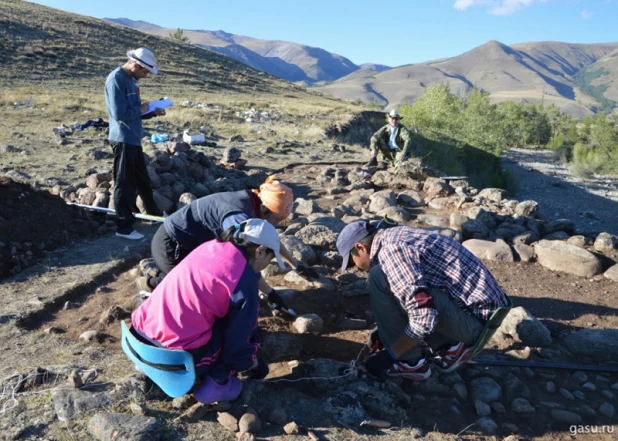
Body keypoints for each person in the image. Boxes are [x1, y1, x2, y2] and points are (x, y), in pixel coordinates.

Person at [130, 219, 280, 403]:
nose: (266, 265)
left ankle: (148, 366)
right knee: (237, 331)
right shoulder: (244, 282)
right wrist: (256, 365)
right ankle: (217, 384)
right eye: (270, 259)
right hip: (172, 357)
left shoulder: (212, 246)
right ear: (260, 251)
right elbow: (237, 350)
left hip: (137, 337)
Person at [336, 220, 509, 381]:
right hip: (483, 314)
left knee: (378, 276)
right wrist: (388, 328)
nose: (356, 267)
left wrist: (391, 354)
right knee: (396, 284)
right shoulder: (395, 235)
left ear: (361, 247)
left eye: (352, 261)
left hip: (475, 325)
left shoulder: (392, 252)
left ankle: (410, 364)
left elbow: (424, 317)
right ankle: (452, 344)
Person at [136, 175, 319, 310]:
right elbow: (247, 264)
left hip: (192, 242)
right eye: (276, 220)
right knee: (191, 290)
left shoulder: (254, 202)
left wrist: (296, 265)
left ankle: (159, 275)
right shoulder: (240, 218)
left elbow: (270, 237)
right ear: (264, 208)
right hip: (172, 243)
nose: (276, 225)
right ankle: (151, 285)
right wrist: (270, 293)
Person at [105, 48, 166, 240]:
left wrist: (151, 112)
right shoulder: (116, 79)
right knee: (124, 182)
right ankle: (123, 227)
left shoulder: (131, 80)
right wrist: (142, 108)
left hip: (133, 137)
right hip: (123, 138)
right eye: (145, 71)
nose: (146, 76)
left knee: (142, 180)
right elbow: (119, 113)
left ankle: (154, 213)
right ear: (136, 65)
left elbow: (134, 113)